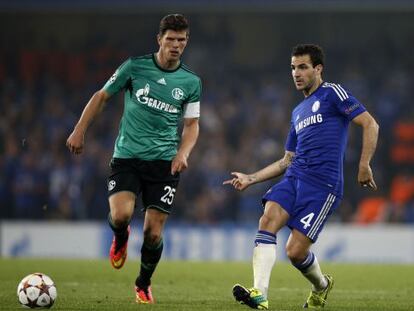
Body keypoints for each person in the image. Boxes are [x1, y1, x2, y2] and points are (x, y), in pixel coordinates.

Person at [224, 44, 379, 310]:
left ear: (318, 69)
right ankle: (259, 293)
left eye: (303, 67)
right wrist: (251, 177)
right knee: (267, 219)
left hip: (323, 186)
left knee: (295, 252)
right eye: (293, 68)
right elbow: (287, 160)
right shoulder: (298, 112)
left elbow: (370, 123)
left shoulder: (333, 93)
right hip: (295, 178)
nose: (296, 73)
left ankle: (321, 286)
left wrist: (364, 164)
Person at [66, 14, 201, 304]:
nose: (176, 45)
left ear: (186, 41)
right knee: (121, 215)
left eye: (181, 40)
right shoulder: (135, 67)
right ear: (159, 39)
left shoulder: (190, 82)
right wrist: (79, 130)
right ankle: (121, 236)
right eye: (171, 39)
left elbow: (191, 125)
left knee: (153, 233)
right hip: (127, 155)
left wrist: (183, 152)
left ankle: (143, 283)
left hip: (164, 163)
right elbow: (102, 96)